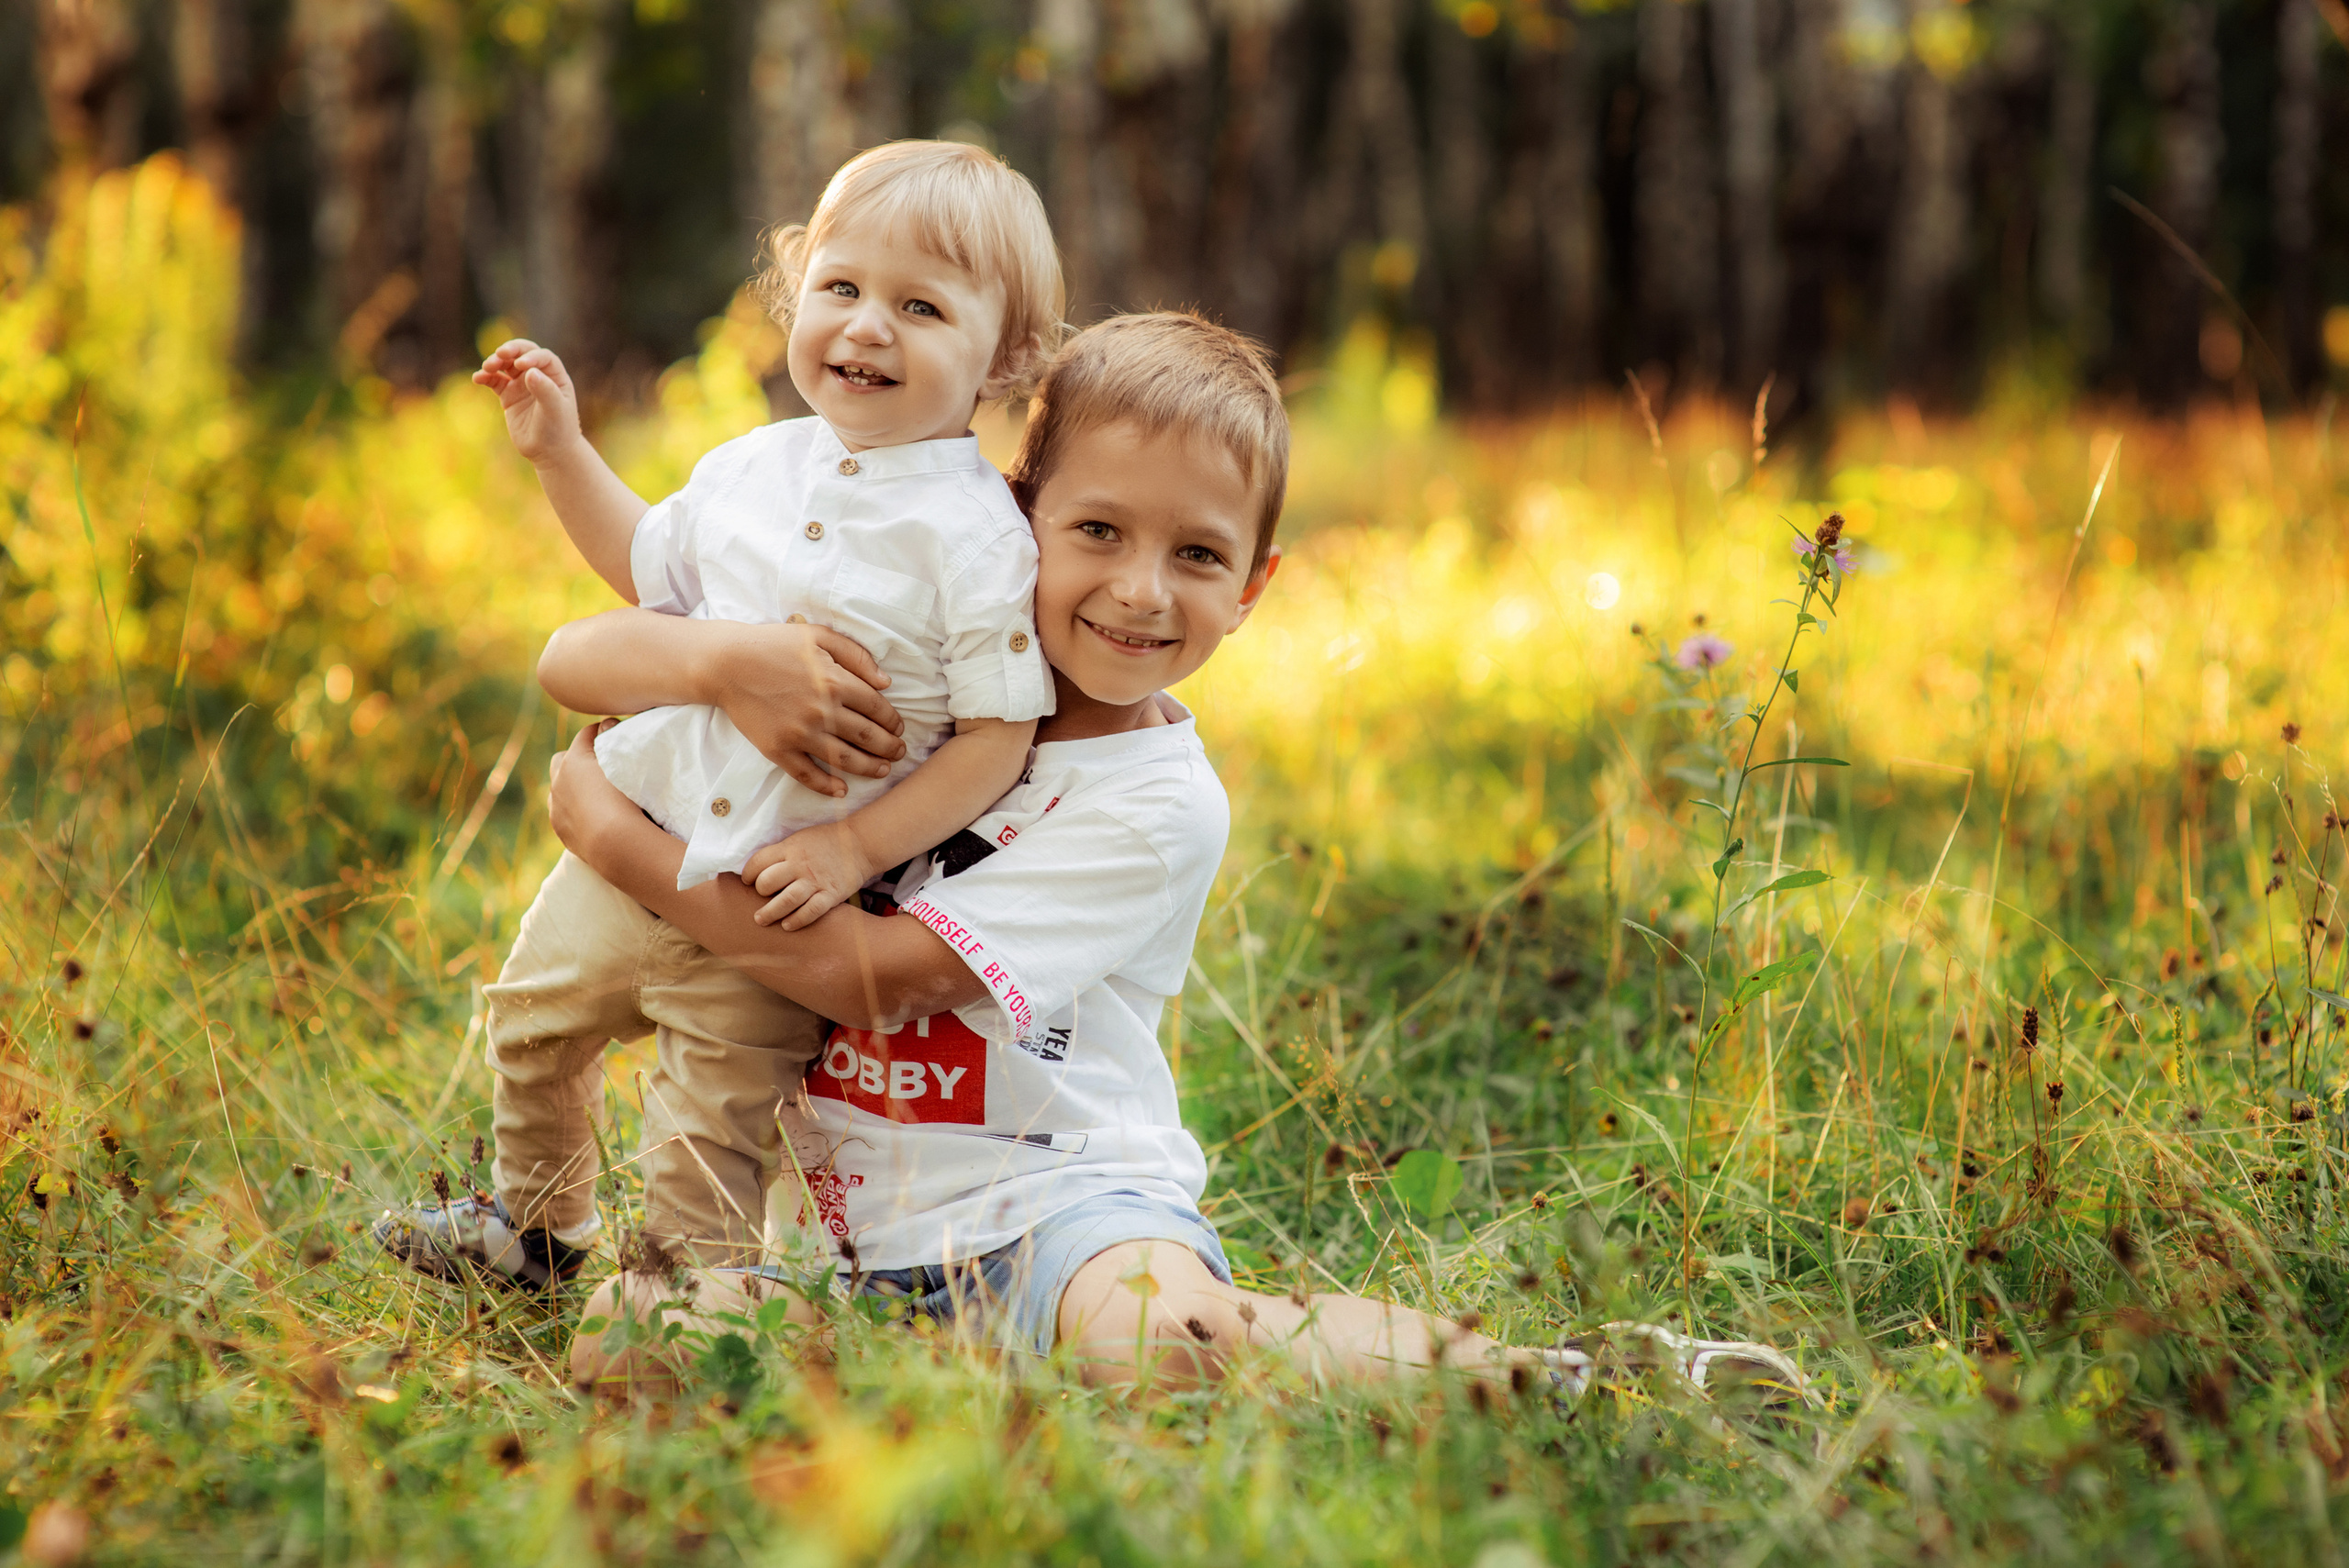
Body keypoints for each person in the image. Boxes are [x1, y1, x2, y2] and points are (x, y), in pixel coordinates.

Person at [544, 311, 1812, 1406]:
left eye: (1196, 555)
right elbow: (614, 636)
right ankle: (879, 1372)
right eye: (1095, 530)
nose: (1142, 592)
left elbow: (876, 981)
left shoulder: (1154, 802)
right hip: (825, 1240)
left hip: (1057, 1216)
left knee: (1163, 1338)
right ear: (1009, 515)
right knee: (634, 1356)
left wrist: (613, 835)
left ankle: (1564, 1376)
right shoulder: (923, 701)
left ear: (1254, 585)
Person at [374, 140, 1066, 1285]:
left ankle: (686, 1302)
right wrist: (562, 455)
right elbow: (647, 566)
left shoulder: (979, 537)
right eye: (841, 288)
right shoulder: (751, 466)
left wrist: (853, 843)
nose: (867, 327)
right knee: (532, 1027)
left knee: (710, 1123)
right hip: (632, 842)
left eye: (922, 306)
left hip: (772, 907)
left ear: (1011, 353)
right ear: (798, 290)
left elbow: (997, 736)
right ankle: (534, 1228)